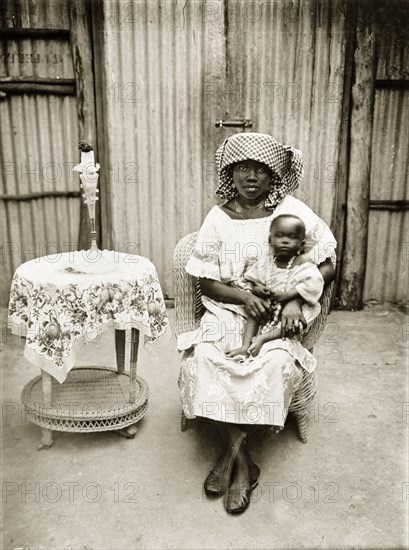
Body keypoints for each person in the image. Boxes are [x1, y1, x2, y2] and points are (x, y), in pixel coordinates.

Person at [177, 132, 336, 515]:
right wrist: (244, 297)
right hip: (226, 308)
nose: (251, 177)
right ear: (230, 172)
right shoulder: (218, 216)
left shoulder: (291, 209)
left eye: (261, 170)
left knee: (274, 361)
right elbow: (206, 280)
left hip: (279, 313)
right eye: (242, 168)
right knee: (205, 358)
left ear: (273, 175)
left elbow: (328, 261)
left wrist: (297, 299)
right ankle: (243, 463)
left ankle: (228, 460)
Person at [226, 213, 324, 359]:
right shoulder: (266, 262)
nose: (285, 241)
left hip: (294, 308)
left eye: (292, 237)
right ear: (270, 240)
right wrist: (258, 289)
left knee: (295, 322)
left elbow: (314, 283)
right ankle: (245, 346)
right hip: (270, 304)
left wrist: (288, 295)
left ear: (301, 244)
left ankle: (263, 339)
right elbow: (252, 279)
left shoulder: (303, 262)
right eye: (280, 236)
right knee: (254, 312)